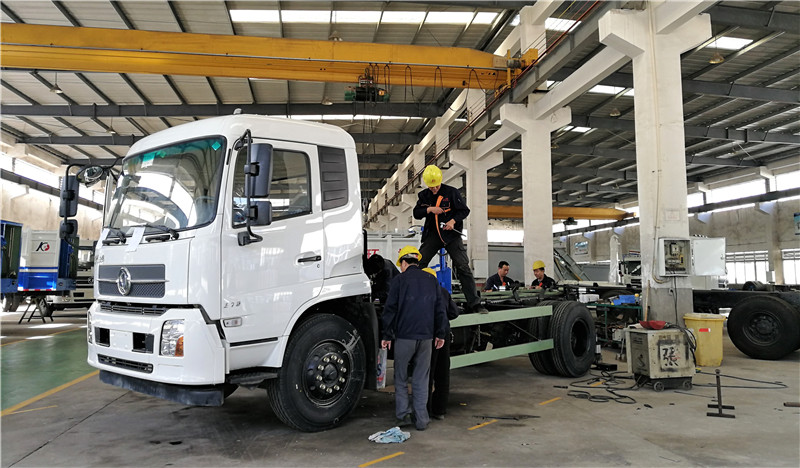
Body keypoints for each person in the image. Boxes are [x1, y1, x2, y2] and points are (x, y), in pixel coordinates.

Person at [381, 246, 446, 432]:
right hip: (426, 338)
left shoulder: (399, 280)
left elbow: (390, 309)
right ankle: (422, 420)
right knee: (421, 379)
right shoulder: (431, 280)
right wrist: (440, 334)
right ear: (417, 261)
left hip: (404, 337)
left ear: (403, 262)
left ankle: (403, 416)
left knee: (401, 377)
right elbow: (439, 309)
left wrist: (386, 335)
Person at [413, 165, 488, 314]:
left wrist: (452, 221)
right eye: (431, 187)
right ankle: (414, 299)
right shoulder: (424, 196)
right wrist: (429, 209)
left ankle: (475, 304)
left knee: (463, 267)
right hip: (433, 235)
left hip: (451, 236)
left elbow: (464, 210)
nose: (434, 189)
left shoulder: (452, 193)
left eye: (436, 186)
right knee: (418, 264)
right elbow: (416, 213)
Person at [422, 268, 459, 421]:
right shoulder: (443, 292)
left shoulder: (421, 294)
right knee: (442, 374)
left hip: (428, 337)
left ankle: (424, 410)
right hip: (443, 336)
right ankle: (440, 410)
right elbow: (454, 313)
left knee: (426, 374)